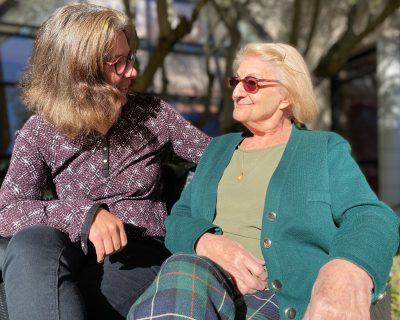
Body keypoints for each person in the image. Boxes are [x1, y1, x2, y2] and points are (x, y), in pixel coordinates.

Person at [128, 42, 399, 320]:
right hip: (201, 283)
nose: (236, 92)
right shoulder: (217, 150)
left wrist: (348, 269)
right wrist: (204, 242)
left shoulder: (322, 149)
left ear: (285, 96)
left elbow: (370, 214)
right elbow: (180, 218)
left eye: (251, 83)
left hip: (275, 299)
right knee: (184, 270)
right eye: (236, 82)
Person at [0, 3, 210, 320]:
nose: (133, 72)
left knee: (76, 299)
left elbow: (217, 159)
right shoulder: (41, 131)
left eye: (131, 58)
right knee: (31, 243)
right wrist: (83, 214)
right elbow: (7, 211)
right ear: (81, 71)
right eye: (119, 63)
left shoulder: (152, 115)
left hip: (137, 253)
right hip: (71, 245)